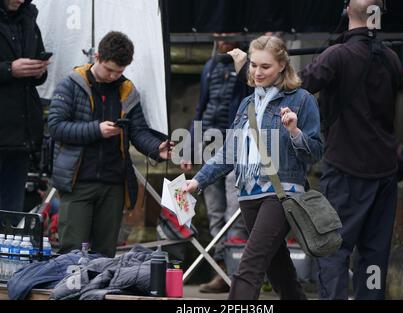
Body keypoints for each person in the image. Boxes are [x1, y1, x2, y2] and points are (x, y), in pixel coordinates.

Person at [230, 0, 402, 300]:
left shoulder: (337, 56)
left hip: (348, 169)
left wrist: (248, 67)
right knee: (374, 257)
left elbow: (292, 88)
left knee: (332, 248)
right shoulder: (391, 58)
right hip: (385, 169)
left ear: (347, 9)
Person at [184, 35, 323, 300]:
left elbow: (315, 152)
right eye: (254, 65)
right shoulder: (248, 103)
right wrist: (198, 181)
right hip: (248, 196)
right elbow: (229, 152)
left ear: (282, 65)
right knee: (278, 269)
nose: (257, 72)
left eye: (265, 67)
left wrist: (294, 131)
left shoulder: (302, 100)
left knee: (249, 268)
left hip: (282, 195)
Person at [48, 31, 173, 258]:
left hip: (114, 183)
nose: (114, 76)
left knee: (105, 254)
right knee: (71, 252)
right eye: (109, 70)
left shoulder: (127, 89)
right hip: (78, 182)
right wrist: (97, 130)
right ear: (97, 56)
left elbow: (138, 131)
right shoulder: (70, 85)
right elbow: (56, 127)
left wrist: (156, 148)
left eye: (120, 71)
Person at [181, 33, 250, 293]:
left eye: (228, 32)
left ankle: (238, 275)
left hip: (238, 145)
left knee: (236, 214)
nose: (222, 38)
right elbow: (201, 108)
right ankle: (221, 272)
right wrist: (188, 147)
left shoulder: (249, 65)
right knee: (214, 213)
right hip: (210, 145)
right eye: (218, 33)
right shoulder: (210, 66)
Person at [0, 0, 49, 213]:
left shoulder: (29, 20)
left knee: (12, 211)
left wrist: (39, 70)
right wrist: (9, 70)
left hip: (21, 132)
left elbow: (38, 58)